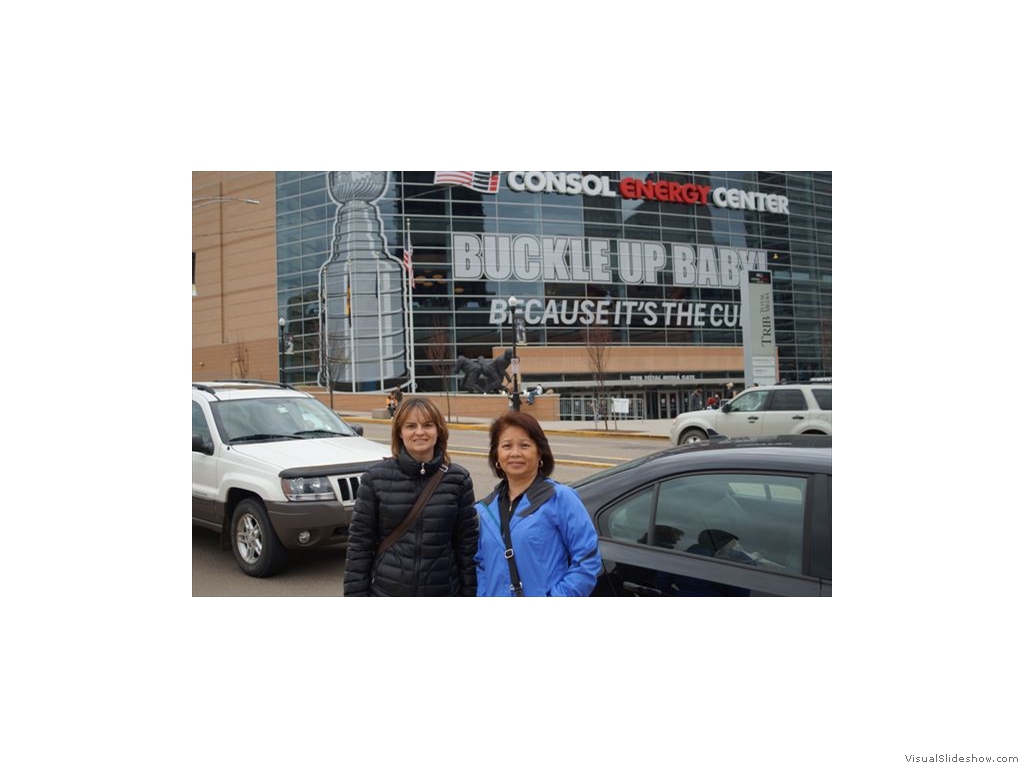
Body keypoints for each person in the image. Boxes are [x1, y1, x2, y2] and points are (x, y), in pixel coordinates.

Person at [344, 397, 478, 596]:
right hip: (386, 592)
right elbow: (360, 546)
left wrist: (469, 595)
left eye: (427, 425)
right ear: (399, 432)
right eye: (410, 426)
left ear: (438, 430)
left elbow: (467, 547)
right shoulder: (375, 478)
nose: (420, 432)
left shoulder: (458, 479)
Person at [474, 411, 602, 596]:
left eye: (525, 445)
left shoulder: (560, 499)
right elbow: (481, 564)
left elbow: (587, 560)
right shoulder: (485, 510)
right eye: (507, 446)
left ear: (540, 453)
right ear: (496, 456)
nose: (515, 453)